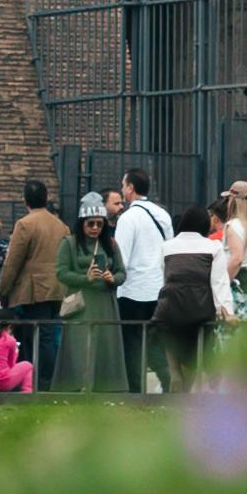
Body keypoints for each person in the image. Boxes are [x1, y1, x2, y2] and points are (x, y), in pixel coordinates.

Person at [0, 176, 68, 399]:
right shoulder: (61, 226)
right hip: (57, 288)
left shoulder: (25, 224)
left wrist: (3, 291)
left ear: (26, 200)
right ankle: (48, 380)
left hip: (33, 291)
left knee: (36, 338)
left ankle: (39, 382)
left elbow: (13, 261)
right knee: (49, 336)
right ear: (46, 198)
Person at [109, 164, 173, 399]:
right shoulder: (163, 215)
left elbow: (121, 256)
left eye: (124, 185)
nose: (122, 189)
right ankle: (167, 380)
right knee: (154, 342)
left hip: (132, 289)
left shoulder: (128, 218)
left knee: (132, 343)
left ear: (131, 188)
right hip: (158, 287)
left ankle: (136, 391)